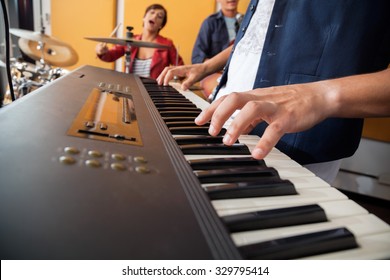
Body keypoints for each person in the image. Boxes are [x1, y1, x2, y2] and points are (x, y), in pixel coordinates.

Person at [157, 0, 390, 183]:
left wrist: (323, 95)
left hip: (291, 136)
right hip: (225, 113)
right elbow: (255, 37)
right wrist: (206, 66)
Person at [96, 3, 184, 79]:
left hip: (155, 93)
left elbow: (181, 69)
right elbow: (110, 56)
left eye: (159, 16)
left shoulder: (167, 44)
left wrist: (174, 77)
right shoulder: (130, 41)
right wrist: (102, 52)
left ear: (161, 25)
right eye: (152, 12)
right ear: (144, 18)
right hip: (131, 89)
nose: (154, 16)